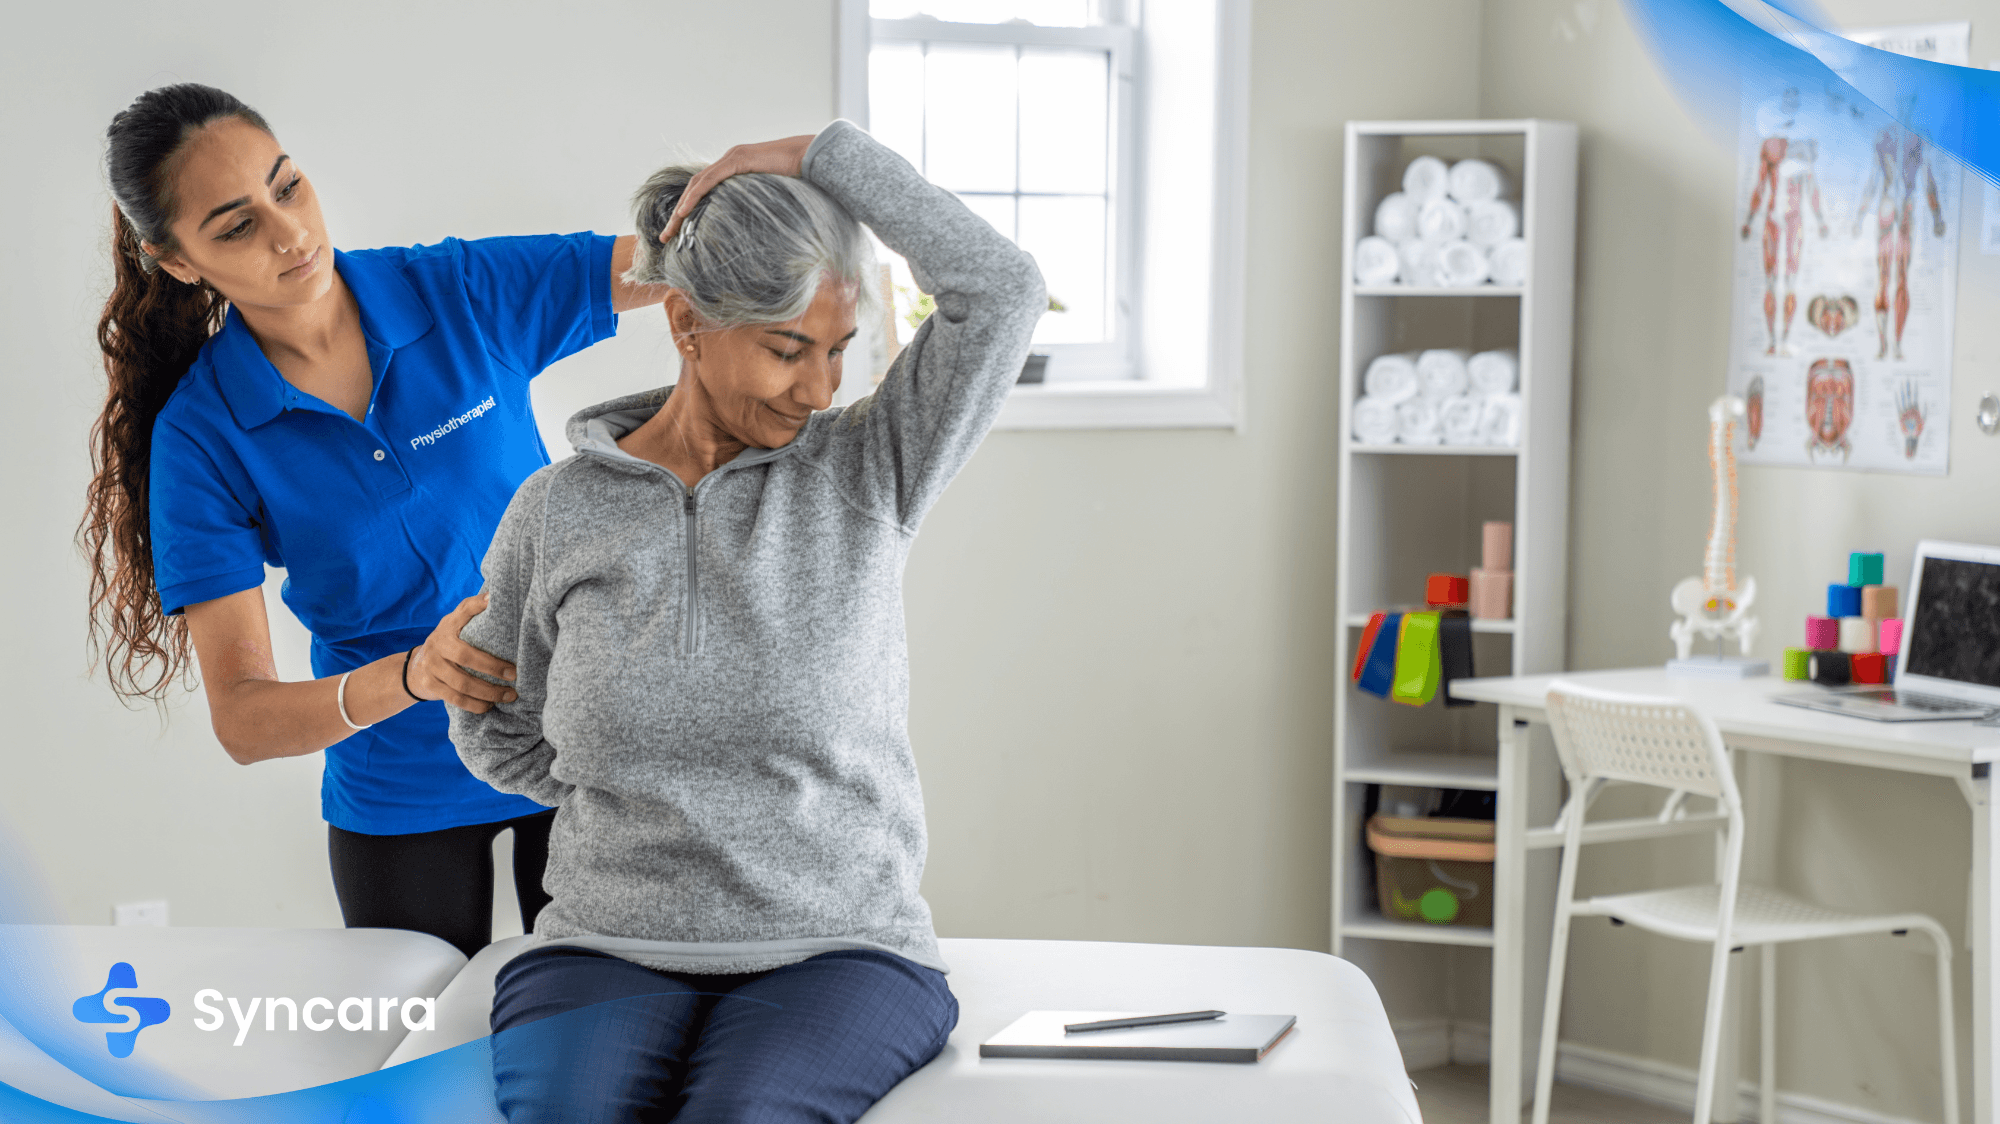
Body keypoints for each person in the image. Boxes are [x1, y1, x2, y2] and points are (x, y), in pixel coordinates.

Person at [79, 83, 798, 959]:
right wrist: (417, 676)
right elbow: (244, 717)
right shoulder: (202, 436)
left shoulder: (452, 291)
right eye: (235, 227)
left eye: (288, 186)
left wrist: (798, 165)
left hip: (579, 760)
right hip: (399, 793)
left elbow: (678, 256)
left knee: (598, 1057)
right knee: (418, 1075)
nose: (290, 234)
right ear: (179, 261)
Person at [448, 119, 1045, 1122]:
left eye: (838, 350)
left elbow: (1001, 292)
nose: (820, 390)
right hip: (602, 945)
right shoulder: (555, 511)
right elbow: (496, 722)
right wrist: (634, 771)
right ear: (685, 324)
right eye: (786, 349)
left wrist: (823, 156)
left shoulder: (867, 468)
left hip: (840, 947)